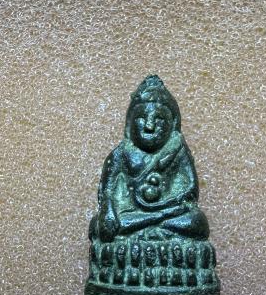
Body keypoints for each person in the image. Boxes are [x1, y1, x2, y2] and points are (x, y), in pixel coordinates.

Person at [89, 75, 210, 243]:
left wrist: (167, 206)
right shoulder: (120, 154)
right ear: (129, 123)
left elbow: (190, 189)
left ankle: (153, 224)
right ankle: (154, 224)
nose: (149, 126)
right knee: (100, 226)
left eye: (159, 119)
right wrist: (108, 211)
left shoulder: (178, 151)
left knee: (197, 222)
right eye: (141, 118)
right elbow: (106, 193)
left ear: (173, 123)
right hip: (130, 214)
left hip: (170, 211)